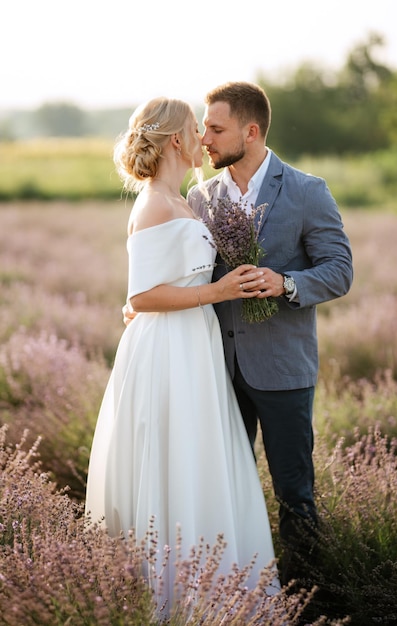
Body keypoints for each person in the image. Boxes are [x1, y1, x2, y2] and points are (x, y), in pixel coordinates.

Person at [85, 96, 278, 615]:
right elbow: (144, 296)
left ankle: (211, 589)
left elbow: (150, 290)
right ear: (176, 140)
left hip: (193, 343)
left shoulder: (184, 199)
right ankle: (170, 596)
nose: (204, 139)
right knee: (174, 455)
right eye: (197, 129)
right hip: (169, 350)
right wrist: (217, 294)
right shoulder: (152, 203)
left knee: (197, 456)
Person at [186, 81, 353, 585]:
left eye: (216, 129)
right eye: (203, 127)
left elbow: (339, 270)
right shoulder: (200, 196)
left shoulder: (307, 190)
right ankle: (230, 586)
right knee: (222, 487)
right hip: (217, 367)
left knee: (294, 492)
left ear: (251, 131)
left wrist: (285, 283)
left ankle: (307, 595)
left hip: (283, 369)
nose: (204, 138)